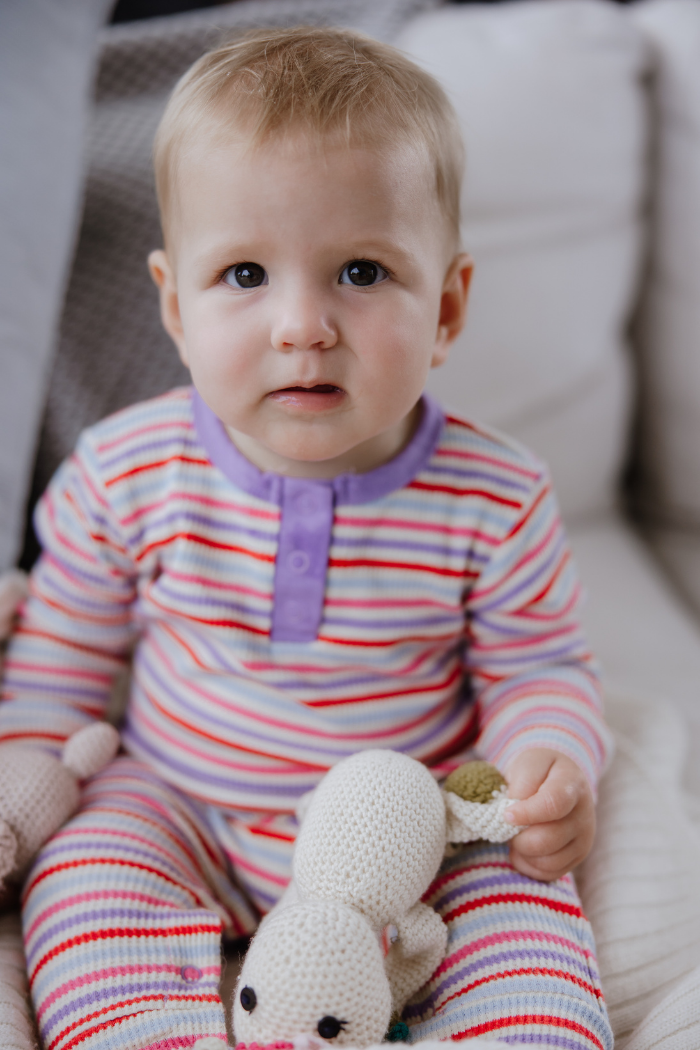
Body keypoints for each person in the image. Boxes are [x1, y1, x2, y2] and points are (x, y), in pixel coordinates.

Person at [0, 26, 614, 1050]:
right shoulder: (122, 471)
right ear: (174, 305)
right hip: (179, 804)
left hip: (412, 819)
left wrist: (546, 759)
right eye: (244, 275)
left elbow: (538, 667)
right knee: (86, 872)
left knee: (524, 900)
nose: (301, 325)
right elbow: (60, 671)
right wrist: (22, 783)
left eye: (361, 273)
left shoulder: (496, 495)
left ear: (447, 305)